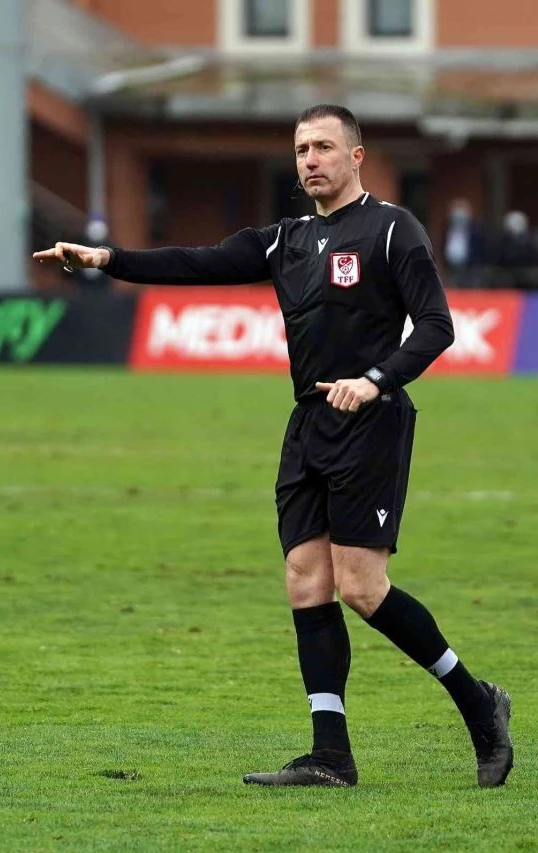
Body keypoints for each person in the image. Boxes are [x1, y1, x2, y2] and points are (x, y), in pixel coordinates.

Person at [33, 104, 513, 790]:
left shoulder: (391, 230)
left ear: (356, 156)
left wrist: (374, 381)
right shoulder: (285, 239)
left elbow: (437, 325)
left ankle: (478, 704)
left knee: (361, 588)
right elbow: (197, 262)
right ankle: (330, 756)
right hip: (309, 423)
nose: (309, 159)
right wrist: (107, 259)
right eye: (300, 149)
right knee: (305, 579)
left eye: (323, 147)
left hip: (371, 421)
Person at [442, 198, 486, 288]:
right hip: (451, 266)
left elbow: (480, 249)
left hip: (470, 268)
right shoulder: (447, 228)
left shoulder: (476, 230)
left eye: (461, 209)